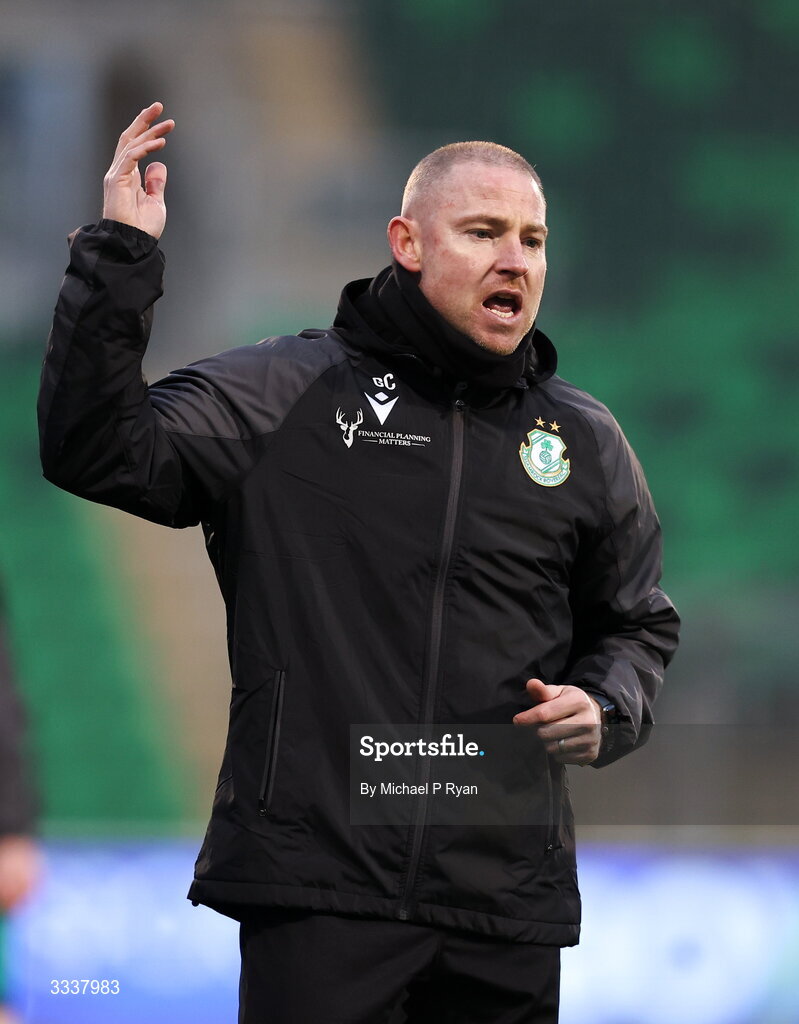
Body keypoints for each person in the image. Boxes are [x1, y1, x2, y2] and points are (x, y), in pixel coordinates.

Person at [38, 102, 679, 1023]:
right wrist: (120, 259)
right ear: (406, 244)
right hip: (321, 886)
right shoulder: (286, 392)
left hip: (501, 904)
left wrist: (607, 703)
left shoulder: (579, 439)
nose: (516, 260)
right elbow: (95, 447)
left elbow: (635, 622)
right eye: (484, 232)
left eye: (533, 239)